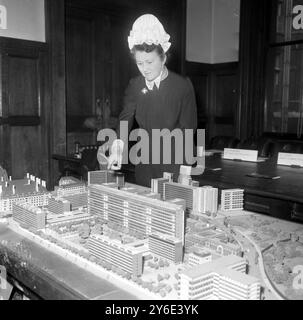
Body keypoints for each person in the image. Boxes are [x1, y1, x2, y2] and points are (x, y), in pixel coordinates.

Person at [98, 14, 197, 187]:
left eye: (150, 62)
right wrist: (117, 148)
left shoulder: (182, 86)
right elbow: (125, 120)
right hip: (145, 165)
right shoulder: (135, 85)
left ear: (163, 58)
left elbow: (189, 130)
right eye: (140, 63)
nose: (145, 69)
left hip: (174, 165)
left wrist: (184, 171)